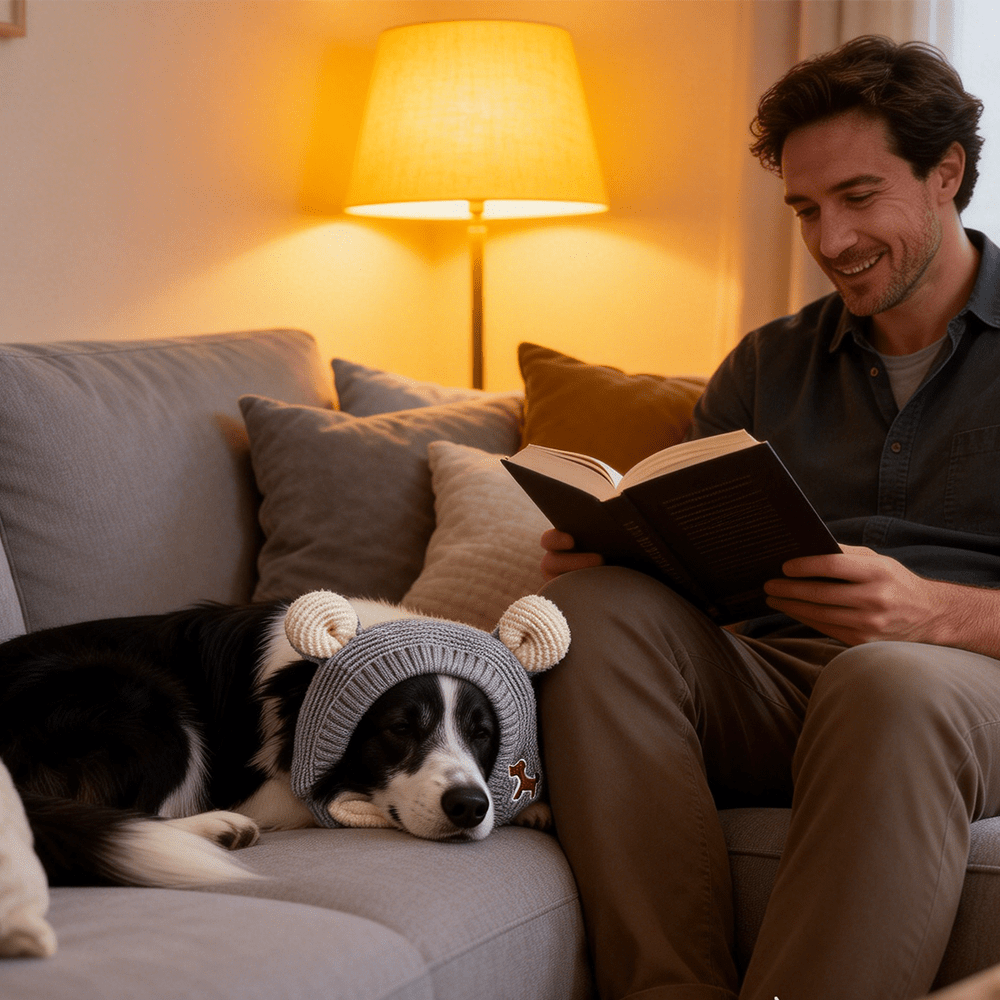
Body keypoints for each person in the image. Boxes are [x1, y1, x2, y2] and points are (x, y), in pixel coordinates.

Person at [537, 35, 1000, 1000]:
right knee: (595, 614)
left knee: (888, 680)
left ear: (947, 173)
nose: (831, 241)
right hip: (778, 678)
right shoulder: (766, 363)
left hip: (959, 687)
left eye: (859, 197)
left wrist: (935, 614)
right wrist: (620, 555)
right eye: (806, 209)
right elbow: (692, 566)